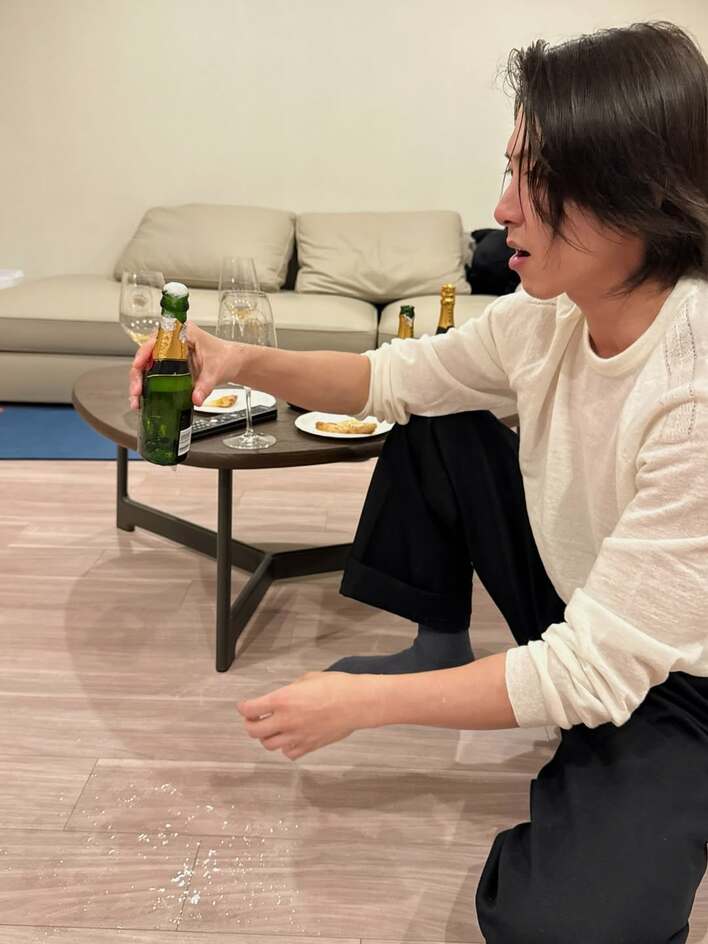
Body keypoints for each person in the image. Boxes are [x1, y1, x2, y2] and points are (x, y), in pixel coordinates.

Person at [130, 21, 708, 942]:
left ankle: (602, 789)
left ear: (632, 194)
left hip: (678, 681)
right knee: (438, 406)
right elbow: (392, 378)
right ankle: (445, 649)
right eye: (509, 169)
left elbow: (600, 668)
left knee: (561, 926)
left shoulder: (693, 384)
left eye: (534, 178)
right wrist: (237, 358)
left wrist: (360, 707)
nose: (502, 207)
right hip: (582, 603)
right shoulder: (548, 317)